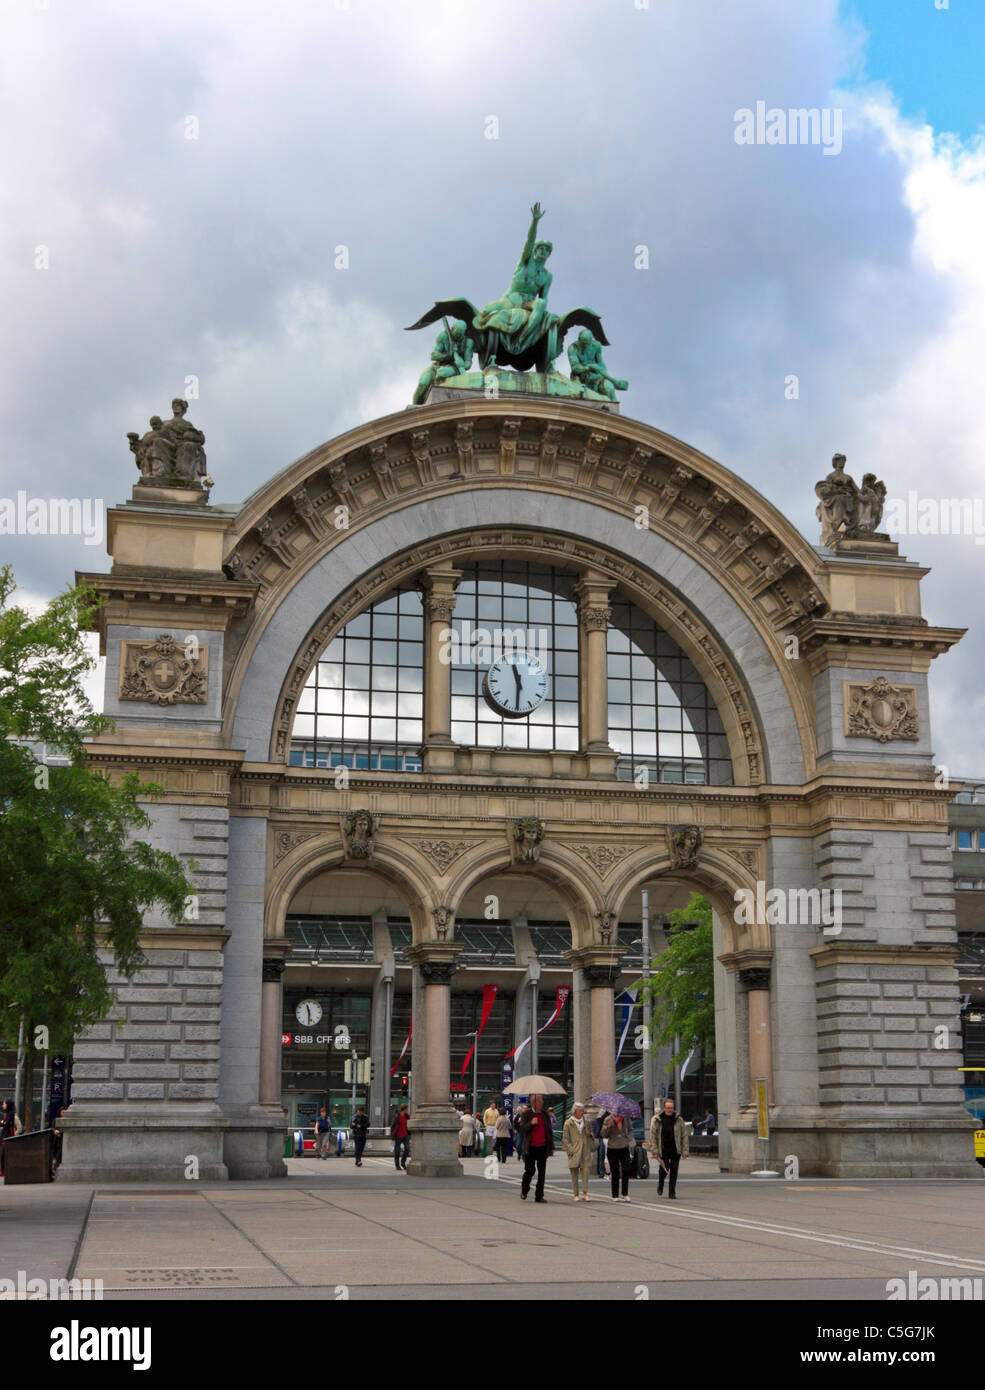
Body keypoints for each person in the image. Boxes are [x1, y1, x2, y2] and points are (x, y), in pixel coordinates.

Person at [517, 1093, 554, 1203]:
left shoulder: (545, 1115)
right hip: (530, 1147)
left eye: (542, 1101)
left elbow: (549, 1131)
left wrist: (551, 1146)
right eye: (540, 1101)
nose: (542, 1103)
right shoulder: (526, 1114)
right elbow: (522, 1129)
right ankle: (525, 1190)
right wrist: (531, 1124)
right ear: (534, 1102)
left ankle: (539, 1195)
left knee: (542, 1173)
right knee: (530, 1170)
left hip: (542, 1147)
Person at [650, 1097, 688, 1199]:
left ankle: (672, 1192)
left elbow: (684, 1135)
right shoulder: (658, 1119)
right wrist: (654, 1150)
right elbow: (653, 1136)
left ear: (673, 1107)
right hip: (663, 1149)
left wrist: (685, 1151)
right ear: (664, 1108)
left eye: (671, 1107)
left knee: (674, 1171)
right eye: (667, 1108)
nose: (669, 1110)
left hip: (676, 1149)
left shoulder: (679, 1119)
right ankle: (661, 1183)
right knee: (665, 1168)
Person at [562, 1102, 596, 1202]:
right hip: (575, 1151)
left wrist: (589, 1134)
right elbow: (565, 1139)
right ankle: (575, 1193)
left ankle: (585, 1193)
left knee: (585, 1171)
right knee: (574, 1172)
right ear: (575, 1111)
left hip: (585, 1150)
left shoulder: (586, 1122)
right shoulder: (568, 1123)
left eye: (582, 1110)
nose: (582, 1112)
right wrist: (571, 1150)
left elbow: (592, 1135)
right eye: (580, 1110)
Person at [601, 1112, 632, 1201]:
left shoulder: (626, 1118)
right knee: (615, 1172)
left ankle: (625, 1193)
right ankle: (615, 1195)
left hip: (624, 1147)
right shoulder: (608, 1119)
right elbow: (603, 1134)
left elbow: (630, 1130)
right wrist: (607, 1127)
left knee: (626, 1169)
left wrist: (628, 1138)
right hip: (613, 1148)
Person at [0, 1099, 22, 1177]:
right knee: (2, 1154)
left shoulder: (11, 1113)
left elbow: (6, 1124)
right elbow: (3, 1123)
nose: (3, 1105)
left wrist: (3, 1123)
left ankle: (6, 1171)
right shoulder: (6, 1114)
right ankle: (3, 1171)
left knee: (5, 1154)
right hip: (3, 1135)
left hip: (8, 1135)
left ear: (8, 1105)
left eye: (4, 1104)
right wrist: (3, 1122)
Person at [391, 1104, 411, 1171]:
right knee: (397, 1151)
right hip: (398, 1135)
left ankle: (403, 1162)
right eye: (407, 1109)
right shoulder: (397, 1116)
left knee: (407, 1149)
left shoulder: (406, 1116)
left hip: (406, 1135)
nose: (407, 1110)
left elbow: (409, 1123)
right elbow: (393, 1126)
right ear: (404, 1109)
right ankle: (397, 1165)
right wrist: (393, 1135)